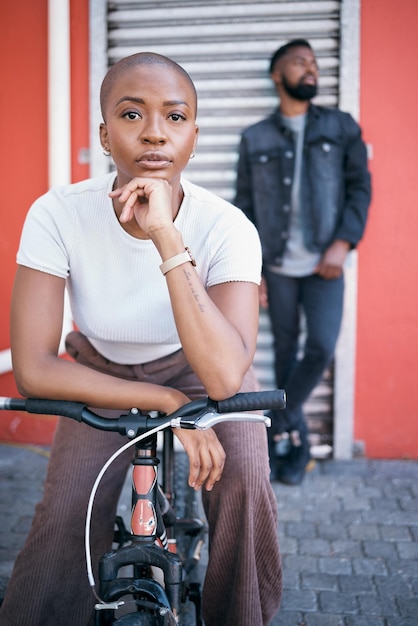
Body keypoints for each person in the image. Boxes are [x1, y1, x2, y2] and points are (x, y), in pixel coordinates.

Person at [0, 53, 282, 625]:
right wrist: (168, 405)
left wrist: (165, 237)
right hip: (98, 370)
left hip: (199, 366)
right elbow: (33, 366)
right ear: (105, 134)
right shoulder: (58, 215)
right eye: (132, 114)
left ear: (194, 137)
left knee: (245, 483)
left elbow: (226, 374)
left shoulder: (227, 227)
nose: (155, 131)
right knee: (67, 513)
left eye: (175, 117)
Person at [234, 39, 371, 486]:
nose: (310, 69)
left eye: (313, 63)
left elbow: (359, 187)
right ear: (278, 75)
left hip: (324, 266)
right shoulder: (255, 137)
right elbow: (245, 207)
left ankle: (275, 424)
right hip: (276, 266)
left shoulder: (341, 126)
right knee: (286, 354)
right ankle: (297, 450)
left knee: (321, 347)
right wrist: (252, 273)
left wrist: (344, 243)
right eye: (300, 62)